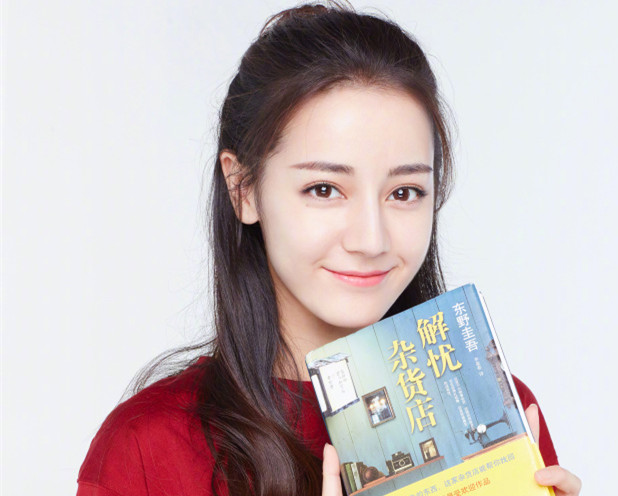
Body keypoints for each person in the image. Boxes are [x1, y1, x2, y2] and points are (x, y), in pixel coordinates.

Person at [77, 4, 582, 496]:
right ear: (243, 188)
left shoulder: (494, 411)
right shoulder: (147, 450)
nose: (371, 240)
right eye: (324, 189)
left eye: (404, 192)